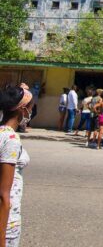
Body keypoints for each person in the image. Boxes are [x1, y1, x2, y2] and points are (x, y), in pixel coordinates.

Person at [0, 85, 32, 247]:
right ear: (23, 109)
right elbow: (4, 194)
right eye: (31, 107)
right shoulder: (11, 139)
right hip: (7, 223)